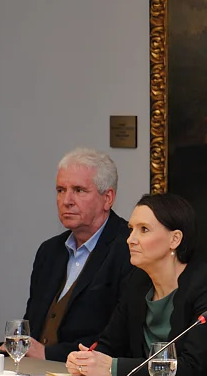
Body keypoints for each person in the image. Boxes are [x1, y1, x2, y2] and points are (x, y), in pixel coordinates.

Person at [66, 193, 207, 376]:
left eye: (144, 230)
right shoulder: (137, 282)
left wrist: (111, 367)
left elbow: (192, 368)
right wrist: (86, 360)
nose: (130, 239)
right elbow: (109, 345)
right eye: (131, 229)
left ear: (175, 239)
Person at [23, 148, 134, 362]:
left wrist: (48, 354)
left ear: (107, 198)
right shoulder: (49, 251)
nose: (67, 200)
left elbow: (120, 339)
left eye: (79, 190)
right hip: (36, 374)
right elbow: (32, 327)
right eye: (61, 190)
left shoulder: (129, 248)